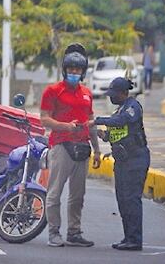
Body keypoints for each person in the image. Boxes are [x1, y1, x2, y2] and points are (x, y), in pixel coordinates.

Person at [39, 44, 101, 248]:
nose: (74, 72)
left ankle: (74, 232)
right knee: (54, 192)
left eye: (78, 70)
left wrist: (97, 149)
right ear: (65, 70)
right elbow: (44, 119)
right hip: (60, 146)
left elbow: (90, 121)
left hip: (82, 148)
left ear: (83, 72)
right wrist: (66, 126)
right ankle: (53, 233)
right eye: (71, 69)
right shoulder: (52, 91)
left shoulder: (86, 93)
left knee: (78, 194)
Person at [89, 77, 150, 251]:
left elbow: (122, 121)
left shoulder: (133, 107)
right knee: (122, 200)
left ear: (124, 93)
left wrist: (97, 120)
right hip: (122, 161)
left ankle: (135, 240)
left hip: (136, 160)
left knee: (132, 200)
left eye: (114, 94)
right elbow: (116, 133)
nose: (111, 97)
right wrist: (102, 135)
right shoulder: (119, 110)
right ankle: (128, 237)